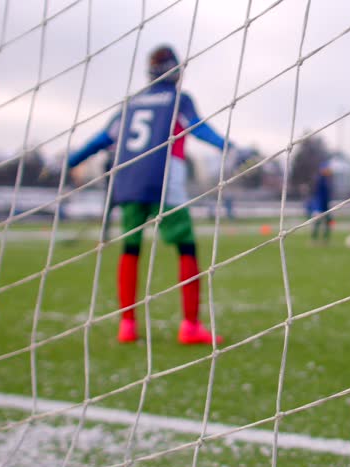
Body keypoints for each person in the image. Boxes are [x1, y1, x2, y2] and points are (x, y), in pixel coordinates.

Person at [60, 45, 247, 345]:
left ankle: (128, 325)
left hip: (129, 180)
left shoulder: (131, 103)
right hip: (164, 180)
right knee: (186, 248)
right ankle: (189, 325)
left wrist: (69, 161)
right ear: (174, 70)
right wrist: (230, 146)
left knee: (130, 248)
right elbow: (199, 129)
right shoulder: (178, 99)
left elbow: (101, 139)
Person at [307, 161, 333, 244]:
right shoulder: (319, 179)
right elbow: (316, 194)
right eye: (326, 169)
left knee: (328, 222)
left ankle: (325, 240)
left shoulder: (326, 180)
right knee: (317, 222)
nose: (328, 171)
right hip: (318, 206)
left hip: (325, 206)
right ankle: (313, 240)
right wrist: (316, 207)